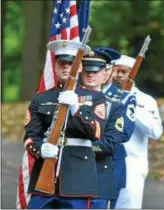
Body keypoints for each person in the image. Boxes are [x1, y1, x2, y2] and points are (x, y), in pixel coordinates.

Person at [23, 40, 126, 209]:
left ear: (79, 68)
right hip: (44, 175)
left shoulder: (95, 98)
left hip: (78, 177)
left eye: (70, 63)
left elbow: (95, 132)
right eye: (61, 63)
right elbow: (30, 136)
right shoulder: (40, 99)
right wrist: (40, 148)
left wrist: (76, 108)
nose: (65, 67)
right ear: (55, 66)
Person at [113, 55, 164, 209]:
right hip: (105, 163)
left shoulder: (145, 100)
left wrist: (131, 107)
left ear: (133, 73)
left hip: (132, 165)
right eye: (117, 71)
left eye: (125, 71)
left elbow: (156, 132)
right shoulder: (103, 96)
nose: (120, 75)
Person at [92, 47, 137, 208]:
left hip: (110, 162)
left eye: (105, 68)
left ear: (110, 71)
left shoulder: (124, 98)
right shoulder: (80, 95)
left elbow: (125, 133)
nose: (99, 73)